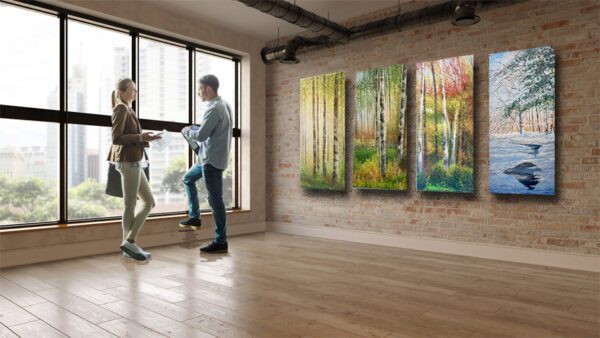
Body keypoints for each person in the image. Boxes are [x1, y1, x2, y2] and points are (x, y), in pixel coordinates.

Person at [107, 78, 161, 261]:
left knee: (149, 202)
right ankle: (129, 243)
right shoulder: (121, 108)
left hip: (134, 161)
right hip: (128, 162)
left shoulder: (128, 109)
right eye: (132, 89)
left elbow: (131, 137)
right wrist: (141, 136)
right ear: (122, 93)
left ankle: (128, 243)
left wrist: (148, 139)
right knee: (130, 205)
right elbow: (117, 138)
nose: (136, 92)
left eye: (136, 90)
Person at [180, 74, 232, 253]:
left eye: (200, 89)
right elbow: (211, 131)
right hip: (207, 158)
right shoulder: (224, 105)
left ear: (208, 89)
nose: (198, 92)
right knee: (188, 179)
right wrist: (197, 129)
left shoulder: (214, 108)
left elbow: (202, 135)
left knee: (216, 200)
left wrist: (188, 131)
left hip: (210, 161)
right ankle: (195, 217)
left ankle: (221, 241)